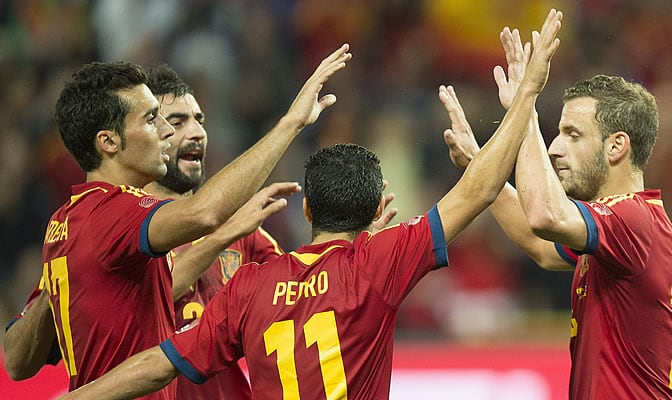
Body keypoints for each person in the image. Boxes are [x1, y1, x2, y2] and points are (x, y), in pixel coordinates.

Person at [57, 9, 563, 399]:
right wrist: (526, 98)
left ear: (307, 213)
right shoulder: (377, 264)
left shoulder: (250, 285)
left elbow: (161, 362)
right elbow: (475, 191)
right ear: (375, 212)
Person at [36, 43, 351, 399]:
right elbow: (204, 215)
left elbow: (302, 295)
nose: (176, 133)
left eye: (198, 120)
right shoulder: (112, 215)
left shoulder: (73, 219)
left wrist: (348, 241)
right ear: (110, 140)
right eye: (160, 120)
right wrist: (291, 123)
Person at [441, 25, 672, 399]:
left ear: (616, 147)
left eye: (572, 134)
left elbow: (544, 215)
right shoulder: (614, 227)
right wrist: (479, 165)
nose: (554, 148)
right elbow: (541, 244)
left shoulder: (634, 219)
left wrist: (526, 104)